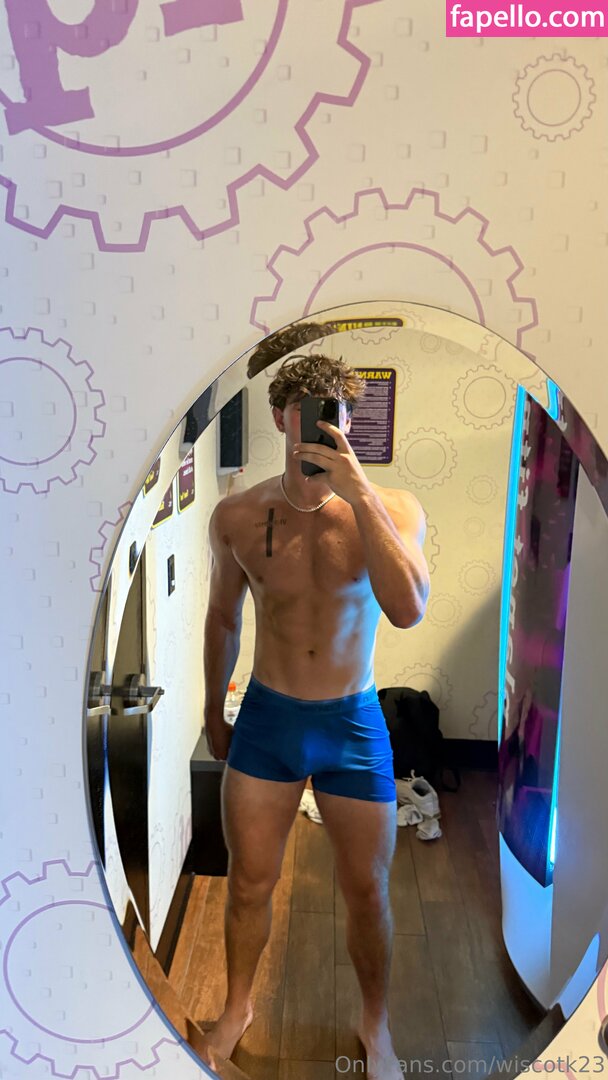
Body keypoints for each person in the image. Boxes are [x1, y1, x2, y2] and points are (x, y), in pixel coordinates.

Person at [202, 349, 430, 1080]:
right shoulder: (237, 515)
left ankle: (375, 1024)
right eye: (309, 416)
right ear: (281, 419)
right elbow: (222, 618)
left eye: (337, 417)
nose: (324, 429)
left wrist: (358, 494)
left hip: (351, 724)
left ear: (350, 421)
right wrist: (212, 709)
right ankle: (237, 1007)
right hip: (268, 720)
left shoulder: (394, 510)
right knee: (249, 882)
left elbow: (407, 609)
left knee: (367, 891)